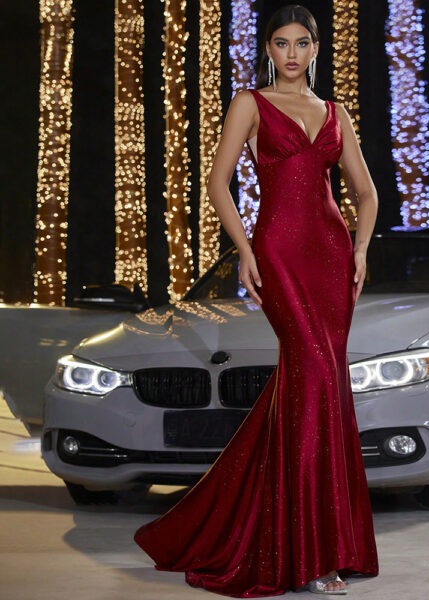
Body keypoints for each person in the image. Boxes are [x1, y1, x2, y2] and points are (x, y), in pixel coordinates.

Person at [134, 5, 379, 597]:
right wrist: (244, 250)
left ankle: (315, 542)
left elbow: (365, 193)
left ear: (315, 48)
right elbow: (219, 180)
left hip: (331, 256)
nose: (291, 53)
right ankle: (313, 553)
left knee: (319, 384)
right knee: (316, 376)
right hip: (278, 252)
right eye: (280, 43)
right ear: (268, 50)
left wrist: (362, 250)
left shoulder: (335, 114)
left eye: (301, 43)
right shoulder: (250, 102)